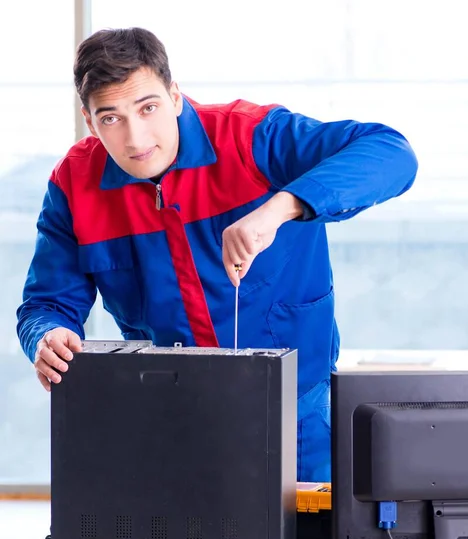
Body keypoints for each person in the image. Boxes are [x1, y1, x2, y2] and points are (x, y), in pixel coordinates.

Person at [16, 27, 418, 482]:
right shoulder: (73, 185)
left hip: (301, 419)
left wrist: (280, 209)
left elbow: (391, 153)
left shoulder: (250, 138)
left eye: (148, 108)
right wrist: (48, 337)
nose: (136, 137)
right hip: (170, 422)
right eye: (111, 118)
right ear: (90, 122)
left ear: (175, 96)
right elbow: (46, 304)